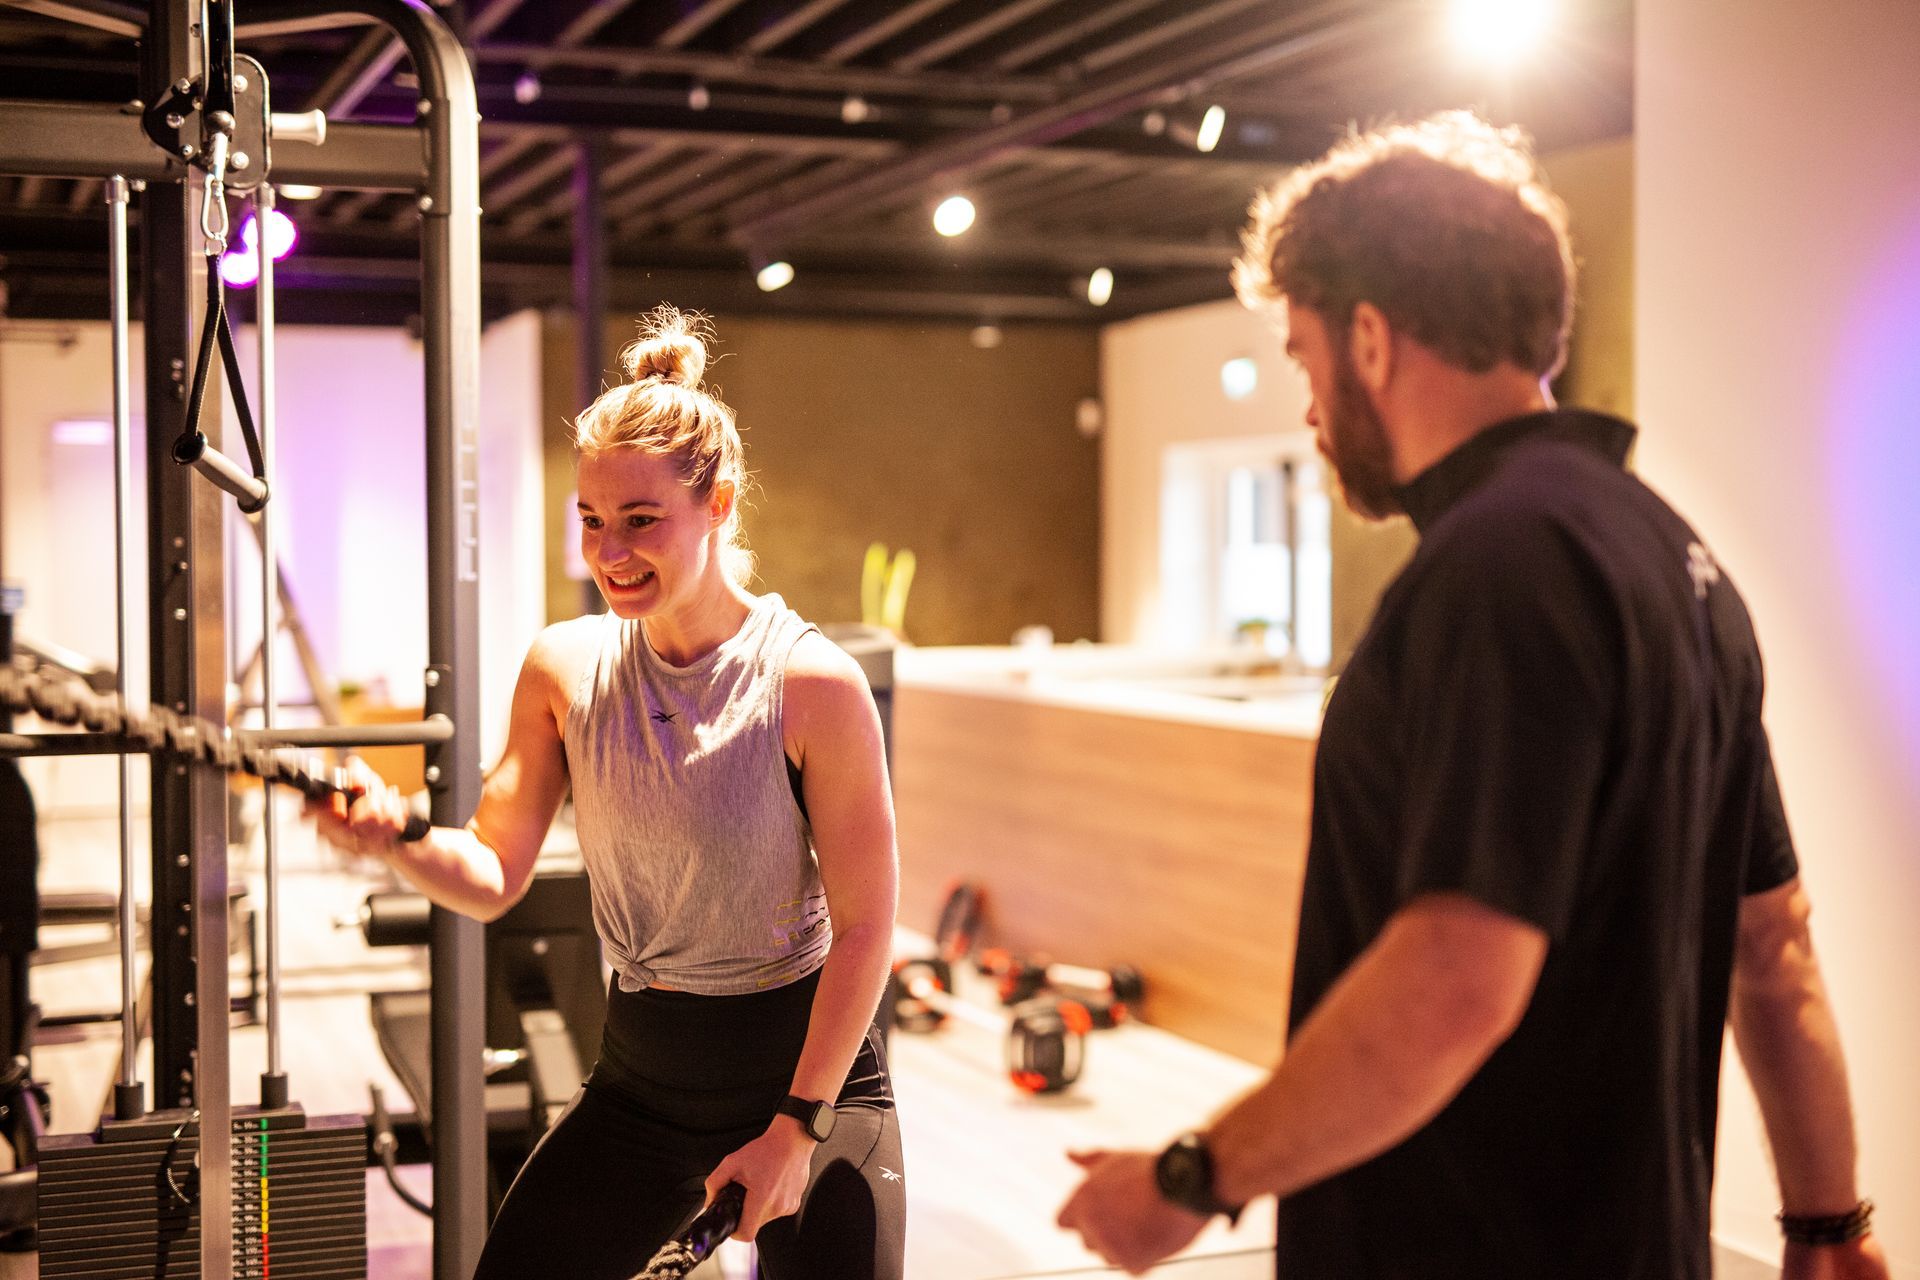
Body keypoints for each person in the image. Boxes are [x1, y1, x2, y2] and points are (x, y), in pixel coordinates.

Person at [1056, 111, 1890, 1279]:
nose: (1307, 407)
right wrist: (1827, 1226)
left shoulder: (1496, 570)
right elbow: (1775, 943)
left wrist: (1191, 1178)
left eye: (1302, 356)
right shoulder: (1681, 559)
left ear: (1370, 338)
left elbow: (1455, 977)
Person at [310, 307, 905, 1280]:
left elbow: (869, 926)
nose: (610, 551)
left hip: (812, 1086)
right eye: (591, 519)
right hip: (641, 1088)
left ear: (718, 506)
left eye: (640, 520)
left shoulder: (810, 684)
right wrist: (394, 834)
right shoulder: (565, 668)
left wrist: (797, 1126)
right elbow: (491, 871)